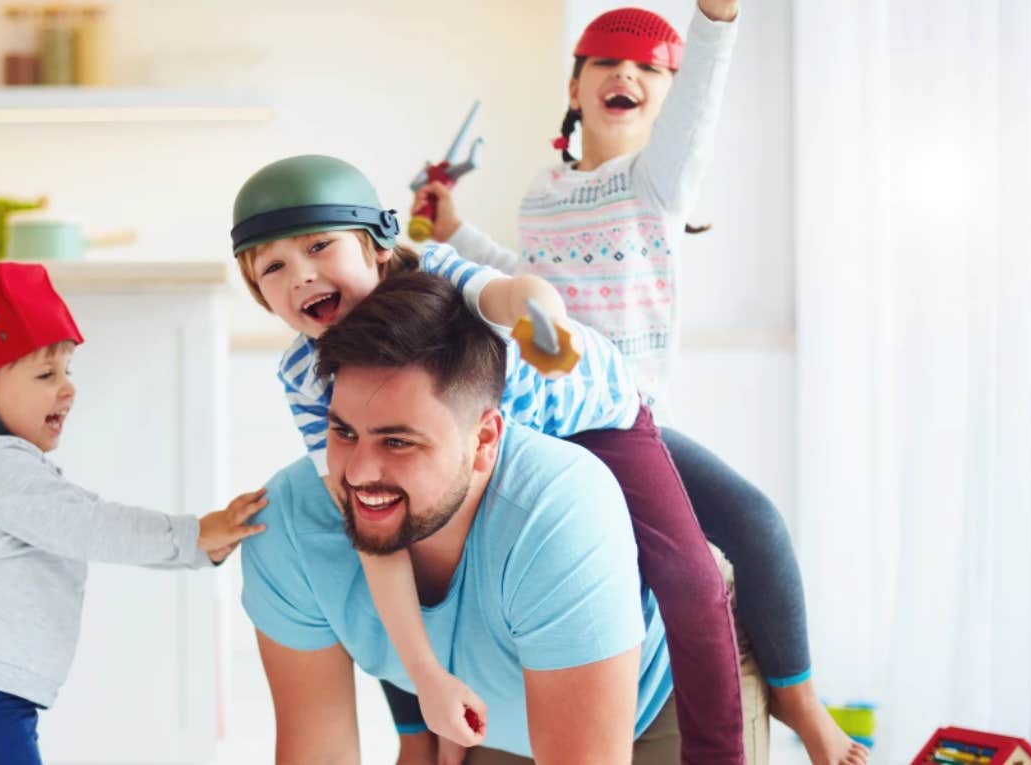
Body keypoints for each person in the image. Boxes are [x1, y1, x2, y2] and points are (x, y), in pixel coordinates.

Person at [414, 3, 868, 763]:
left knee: (749, 529)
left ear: (665, 95)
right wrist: (452, 228)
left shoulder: (658, 181)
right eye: (607, 63)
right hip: (548, 420)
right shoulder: (546, 189)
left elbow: (702, 105)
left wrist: (715, 20)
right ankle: (429, 738)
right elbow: (526, 278)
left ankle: (799, 704)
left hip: (622, 419)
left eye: (651, 69)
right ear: (576, 84)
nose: (627, 74)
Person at [231, 155, 745, 762]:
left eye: (320, 247)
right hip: (478, 458)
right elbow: (376, 532)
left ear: (376, 245)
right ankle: (426, 734)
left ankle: (720, 753)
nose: (302, 276)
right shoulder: (305, 374)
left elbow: (508, 292)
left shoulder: (434, 269)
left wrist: (542, 316)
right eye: (273, 267)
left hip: (584, 416)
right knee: (403, 541)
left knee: (688, 572)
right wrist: (428, 679)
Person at [242, 270, 683, 762]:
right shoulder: (287, 526)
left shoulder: (557, 511)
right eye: (344, 433)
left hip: (657, 707)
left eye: (397, 442)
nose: (360, 473)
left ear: (484, 441)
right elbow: (317, 752)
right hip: (492, 722)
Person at [0, 262, 266, 764]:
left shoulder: (1, 464)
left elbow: (85, 523)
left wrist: (196, 546)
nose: (68, 388)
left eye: (68, 371)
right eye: (46, 374)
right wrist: (194, 535)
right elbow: (93, 527)